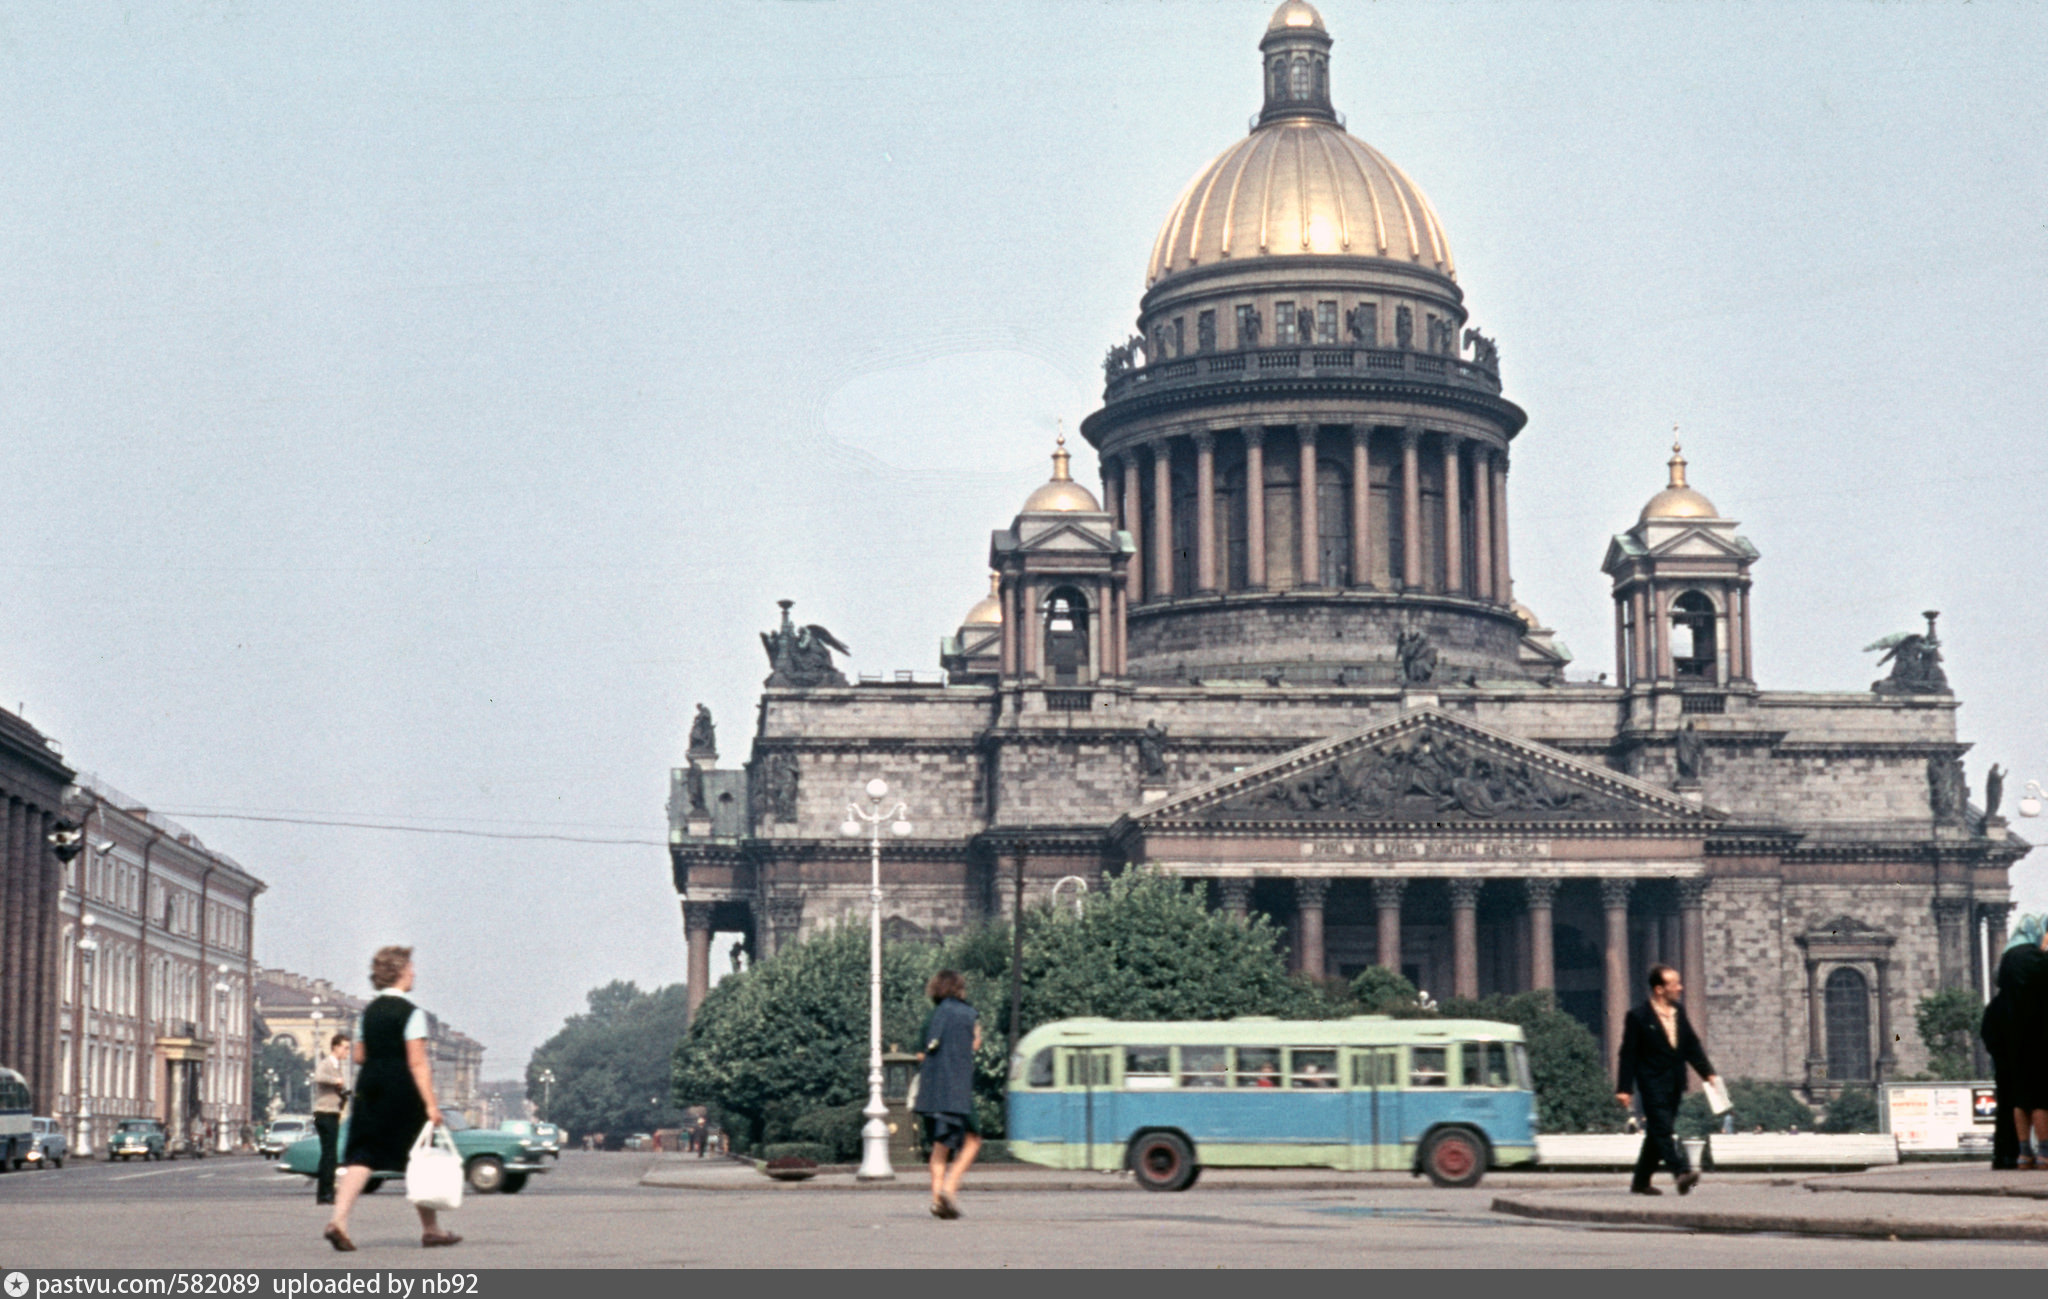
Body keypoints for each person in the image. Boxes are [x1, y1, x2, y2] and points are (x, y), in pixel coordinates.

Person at [323, 946, 460, 1251]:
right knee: (418, 1157)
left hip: (369, 1089)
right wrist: (431, 1105)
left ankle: (339, 1221)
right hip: (403, 1092)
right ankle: (431, 1229)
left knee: (361, 1157)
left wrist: (380, 1057)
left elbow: (358, 1056)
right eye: (410, 968)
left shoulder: (366, 1014)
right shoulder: (412, 1014)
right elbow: (418, 1062)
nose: (414, 973)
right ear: (399, 972)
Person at [1615, 964, 1720, 1196]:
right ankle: (1681, 1172)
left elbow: (1691, 1046)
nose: (1680, 988)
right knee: (1662, 1129)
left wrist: (1708, 1073)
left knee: (1657, 1132)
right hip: (1651, 1082)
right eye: (1675, 984)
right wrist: (1624, 1088)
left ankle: (1641, 1181)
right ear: (1659, 989)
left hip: (1675, 1082)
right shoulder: (1638, 1016)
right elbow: (1628, 1053)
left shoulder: (1679, 1012)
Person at [913, 969, 982, 1220]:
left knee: (939, 1147)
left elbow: (921, 1053)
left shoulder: (931, 1017)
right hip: (958, 1088)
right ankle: (949, 1188)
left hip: (931, 1091)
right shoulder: (968, 1014)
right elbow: (974, 1044)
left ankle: (936, 1199)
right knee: (973, 1139)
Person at [1988, 914, 2048, 1168]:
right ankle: (2045, 1153)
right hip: (2037, 1034)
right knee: (2041, 1099)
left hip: (2010, 1036)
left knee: (2019, 1098)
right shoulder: (2033, 957)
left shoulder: (2007, 957)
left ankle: (2024, 1154)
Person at [311, 1032, 353, 1205]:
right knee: (330, 1155)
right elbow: (318, 1077)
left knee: (329, 1154)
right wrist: (336, 1081)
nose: (347, 1052)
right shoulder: (327, 1063)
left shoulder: (336, 1066)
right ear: (335, 1047)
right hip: (325, 1113)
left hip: (331, 1112)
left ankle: (325, 1192)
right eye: (345, 1048)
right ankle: (326, 1193)